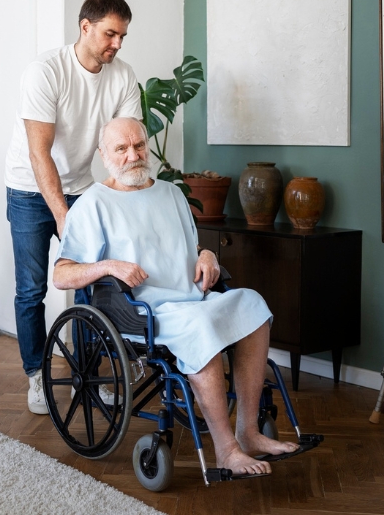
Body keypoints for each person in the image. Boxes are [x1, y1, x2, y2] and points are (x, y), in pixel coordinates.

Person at [52, 117, 300, 476]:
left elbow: (188, 245)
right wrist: (108, 266)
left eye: (138, 146)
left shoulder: (170, 193)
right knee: (201, 328)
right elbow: (62, 274)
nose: (132, 155)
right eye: (121, 149)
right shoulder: (93, 204)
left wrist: (206, 255)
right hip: (145, 312)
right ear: (103, 155)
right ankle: (226, 450)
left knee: (253, 304)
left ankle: (247, 433)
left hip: (193, 299)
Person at [4, 0, 143, 415]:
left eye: (122, 35)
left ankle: (90, 376)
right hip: (29, 188)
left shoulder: (123, 76)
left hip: (81, 184)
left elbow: (124, 147)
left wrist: (113, 206)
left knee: (90, 284)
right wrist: (64, 216)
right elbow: (39, 153)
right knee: (32, 289)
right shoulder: (45, 72)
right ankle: (35, 376)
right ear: (85, 27)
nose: (117, 43)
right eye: (110, 33)